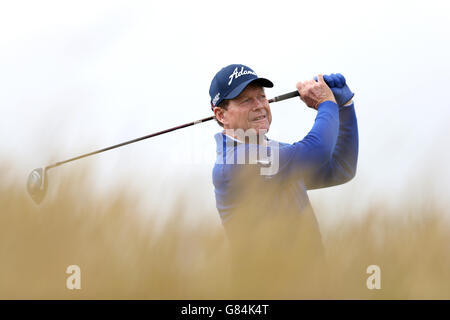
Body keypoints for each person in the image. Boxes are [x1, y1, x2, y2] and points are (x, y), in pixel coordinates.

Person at [209, 64, 358, 294]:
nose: (259, 106)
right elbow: (316, 150)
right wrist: (326, 103)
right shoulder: (236, 162)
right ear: (221, 114)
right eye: (246, 100)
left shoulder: (274, 153)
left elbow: (340, 169)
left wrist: (345, 107)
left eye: (261, 96)